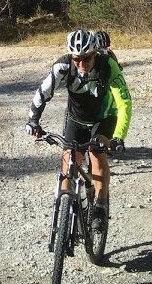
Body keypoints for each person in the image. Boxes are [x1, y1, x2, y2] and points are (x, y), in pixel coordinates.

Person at [25, 28, 132, 231]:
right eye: (77, 60)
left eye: (86, 59)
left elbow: (124, 102)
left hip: (104, 117)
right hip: (76, 118)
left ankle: (100, 205)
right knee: (69, 159)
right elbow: (43, 92)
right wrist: (33, 120)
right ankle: (65, 210)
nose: (81, 65)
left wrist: (119, 136)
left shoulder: (107, 65)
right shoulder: (63, 66)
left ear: (95, 55)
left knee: (96, 154)